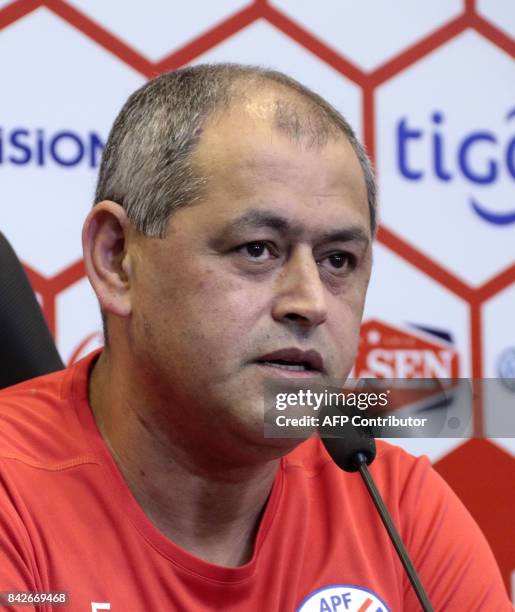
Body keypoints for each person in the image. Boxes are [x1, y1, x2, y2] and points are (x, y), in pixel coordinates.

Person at [0, 64, 511, 612]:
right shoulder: (13, 490)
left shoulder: (397, 508)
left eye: (339, 260)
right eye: (258, 249)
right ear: (117, 259)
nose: (311, 303)